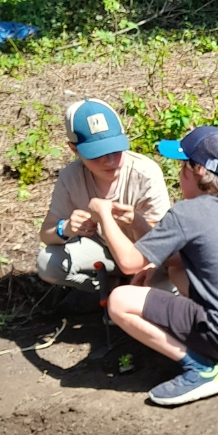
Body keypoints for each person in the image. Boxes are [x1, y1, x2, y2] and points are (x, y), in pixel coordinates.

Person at [88, 126, 218, 406]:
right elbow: (175, 260)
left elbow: (129, 264)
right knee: (178, 270)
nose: (180, 177)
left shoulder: (187, 213)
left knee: (119, 300)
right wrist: (138, 223)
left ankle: (202, 369)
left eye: (182, 169)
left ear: (198, 172)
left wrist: (103, 215)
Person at [37, 99, 170, 293]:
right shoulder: (71, 177)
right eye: (97, 154)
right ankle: (109, 291)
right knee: (47, 262)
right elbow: (46, 233)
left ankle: (124, 295)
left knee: (171, 286)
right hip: (102, 251)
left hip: (144, 254)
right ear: (74, 149)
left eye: (116, 151)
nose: (109, 161)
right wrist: (64, 228)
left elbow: (163, 239)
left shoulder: (146, 173)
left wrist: (148, 259)